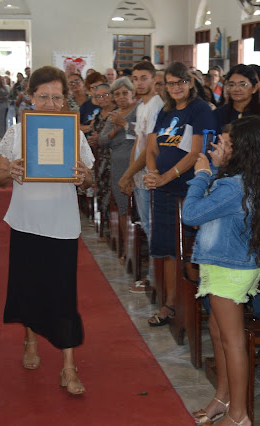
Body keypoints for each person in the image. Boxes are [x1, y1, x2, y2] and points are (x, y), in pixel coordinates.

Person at [0, 66, 94, 394]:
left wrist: (84, 177)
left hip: (62, 223)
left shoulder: (74, 133)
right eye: (44, 97)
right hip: (25, 221)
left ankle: (68, 366)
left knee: (64, 293)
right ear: (30, 97)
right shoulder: (17, 133)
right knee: (28, 286)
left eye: (57, 97)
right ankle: (31, 340)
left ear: (66, 99)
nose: (51, 104)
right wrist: (11, 171)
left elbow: (88, 177)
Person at [184, 116, 260, 426]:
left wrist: (201, 175)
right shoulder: (248, 179)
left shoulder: (232, 186)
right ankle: (222, 398)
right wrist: (213, 170)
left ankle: (239, 415)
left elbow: (191, 214)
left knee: (233, 341)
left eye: (226, 144)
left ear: (243, 150)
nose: (219, 147)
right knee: (218, 331)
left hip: (228, 268)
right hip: (232, 264)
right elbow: (216, 209)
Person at [144, 61, 215, 326]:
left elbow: (197, 152)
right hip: (163, 191)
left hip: (188, 191)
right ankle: (171, 303)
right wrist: (153, 173)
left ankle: (193, 305)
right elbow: (152, 147)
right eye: (170, 83)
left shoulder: (200, 109)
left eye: (181, 82)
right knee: (167, 250)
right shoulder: (165, 111)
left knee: (187, 252)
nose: (175, 87)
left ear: (190, 82)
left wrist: (166, 176)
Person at [118, 60, 164, 293]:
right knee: (147, 225)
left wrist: (129, 174)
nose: (139, 83)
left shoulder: (157, 106)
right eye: (135, 79)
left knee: (152, 227)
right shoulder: (142, 105)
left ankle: (154, 279)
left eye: (144, 78)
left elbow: (150, 148)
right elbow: (138, 141)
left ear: (154, 79)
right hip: (139, 174)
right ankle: (153, 276)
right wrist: (130, 174)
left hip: (149, 174)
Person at [98, 77, 137, 262]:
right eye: (117, 94)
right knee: (123, 209)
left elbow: (146, 134)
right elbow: (102, 141)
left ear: (132, 93)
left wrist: (124, 124)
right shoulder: (113, 115)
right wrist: (114, 130)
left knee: (138, 209)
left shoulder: (139, 110)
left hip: (137, 164)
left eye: (125, 93)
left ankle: (139, 250)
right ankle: (127, 250)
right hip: (118, 166)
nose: (121, 97)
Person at [213, 64, 260, 143]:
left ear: (255, 88)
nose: (236, 89)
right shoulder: (218, 114)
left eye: (243, 84)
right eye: (231, 84)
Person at [88, 84, 115, 221]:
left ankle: (113, 222)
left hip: (114, 158)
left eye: (105, 95)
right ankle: (105, 221)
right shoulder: (97, 116)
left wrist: (100, 139)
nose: (102, 99)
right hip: (100, 158)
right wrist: (93, 140)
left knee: (112, 192)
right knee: (101, 189)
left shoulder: (117, 113)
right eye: (98, 96)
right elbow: (94, 133)